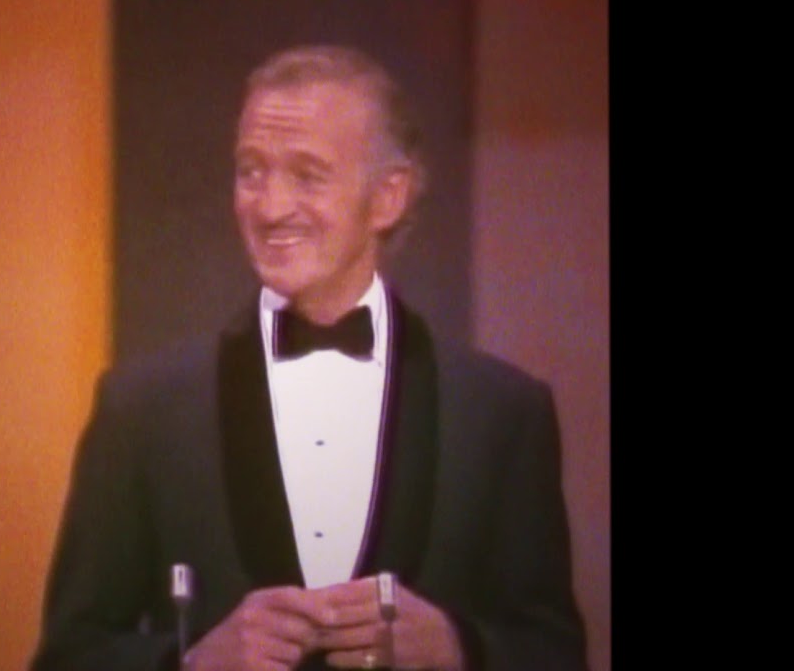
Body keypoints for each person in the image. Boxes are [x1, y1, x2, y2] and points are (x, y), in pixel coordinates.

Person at [30, 45, 587, 670]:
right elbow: (67, 657)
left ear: (388, 196)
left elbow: (554, 653)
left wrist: (460, 649)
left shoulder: (503, 413)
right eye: (251, 171)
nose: (270, 208)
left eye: (307, 175)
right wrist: (189, 663)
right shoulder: (142, 412)